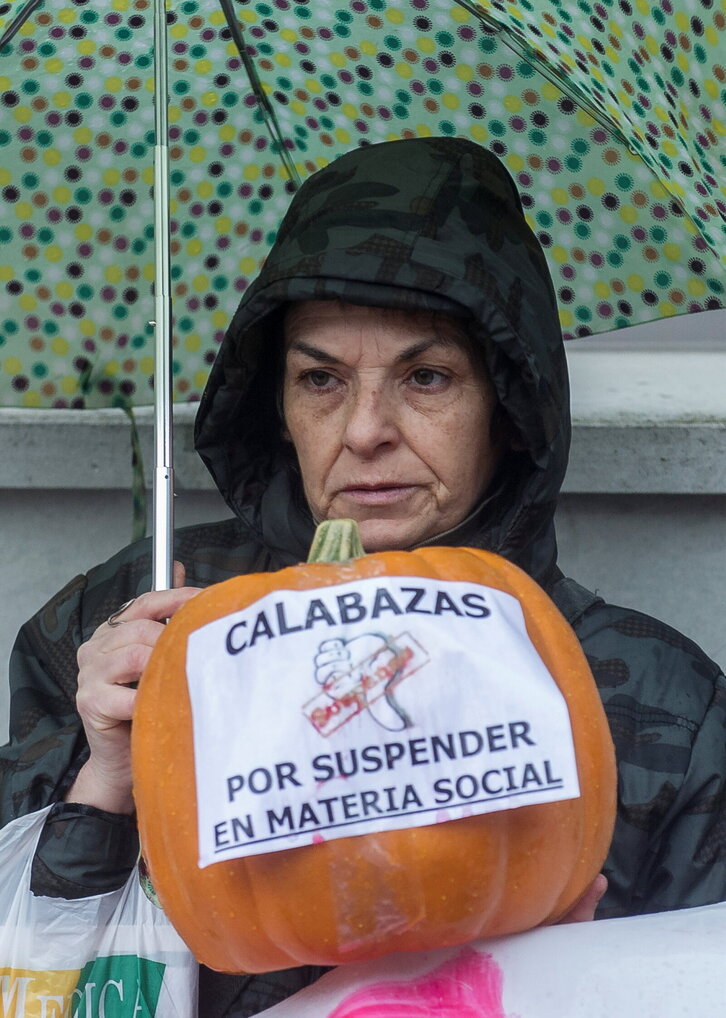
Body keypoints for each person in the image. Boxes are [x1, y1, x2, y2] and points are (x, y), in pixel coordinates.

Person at [2, 137, 724, 1017]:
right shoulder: (130, 622)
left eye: (426, 377)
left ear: (508, 406)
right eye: (321, 379)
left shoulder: (661, 702)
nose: (365, 430)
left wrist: (544, 979)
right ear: (276, 404)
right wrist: (102, 785)